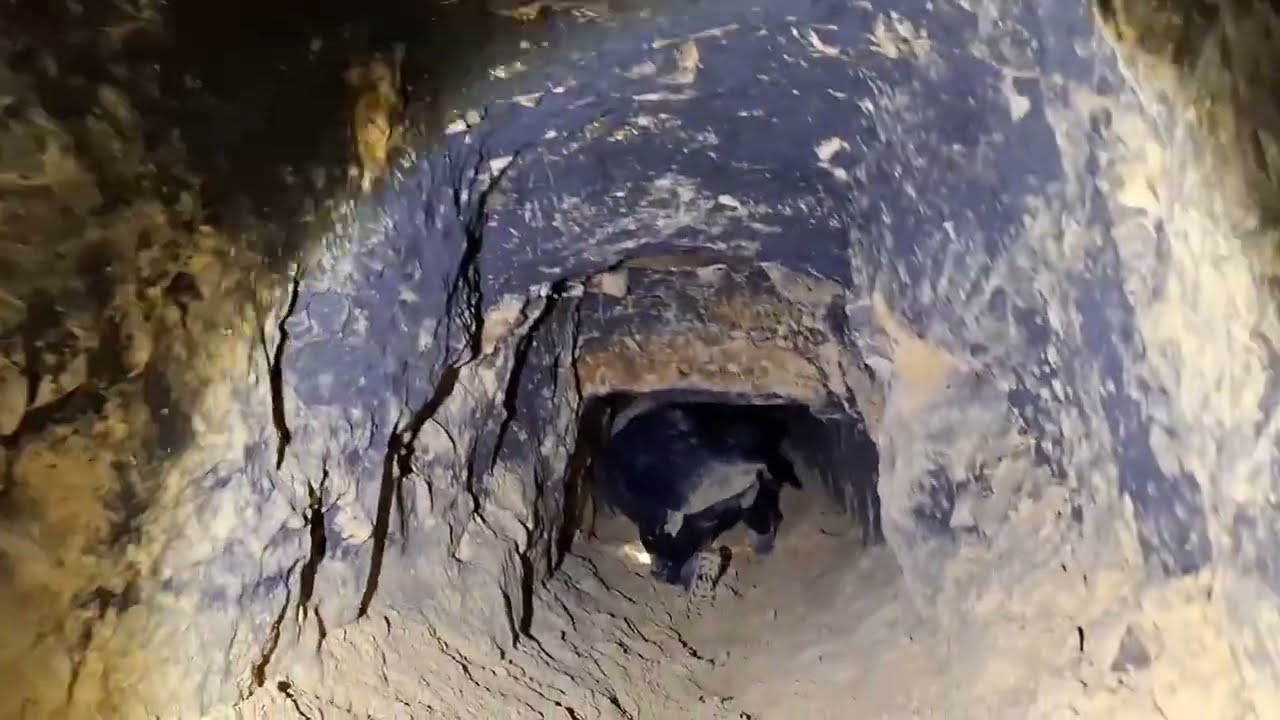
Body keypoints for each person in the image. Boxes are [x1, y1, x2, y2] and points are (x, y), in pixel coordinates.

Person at [594, 401, 801, 591]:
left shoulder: (633, 430)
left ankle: (673, 565)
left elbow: (619, 482)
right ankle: (761, 532)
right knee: (747, 494)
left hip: (691, 484)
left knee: (676, 527)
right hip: (728, 469)